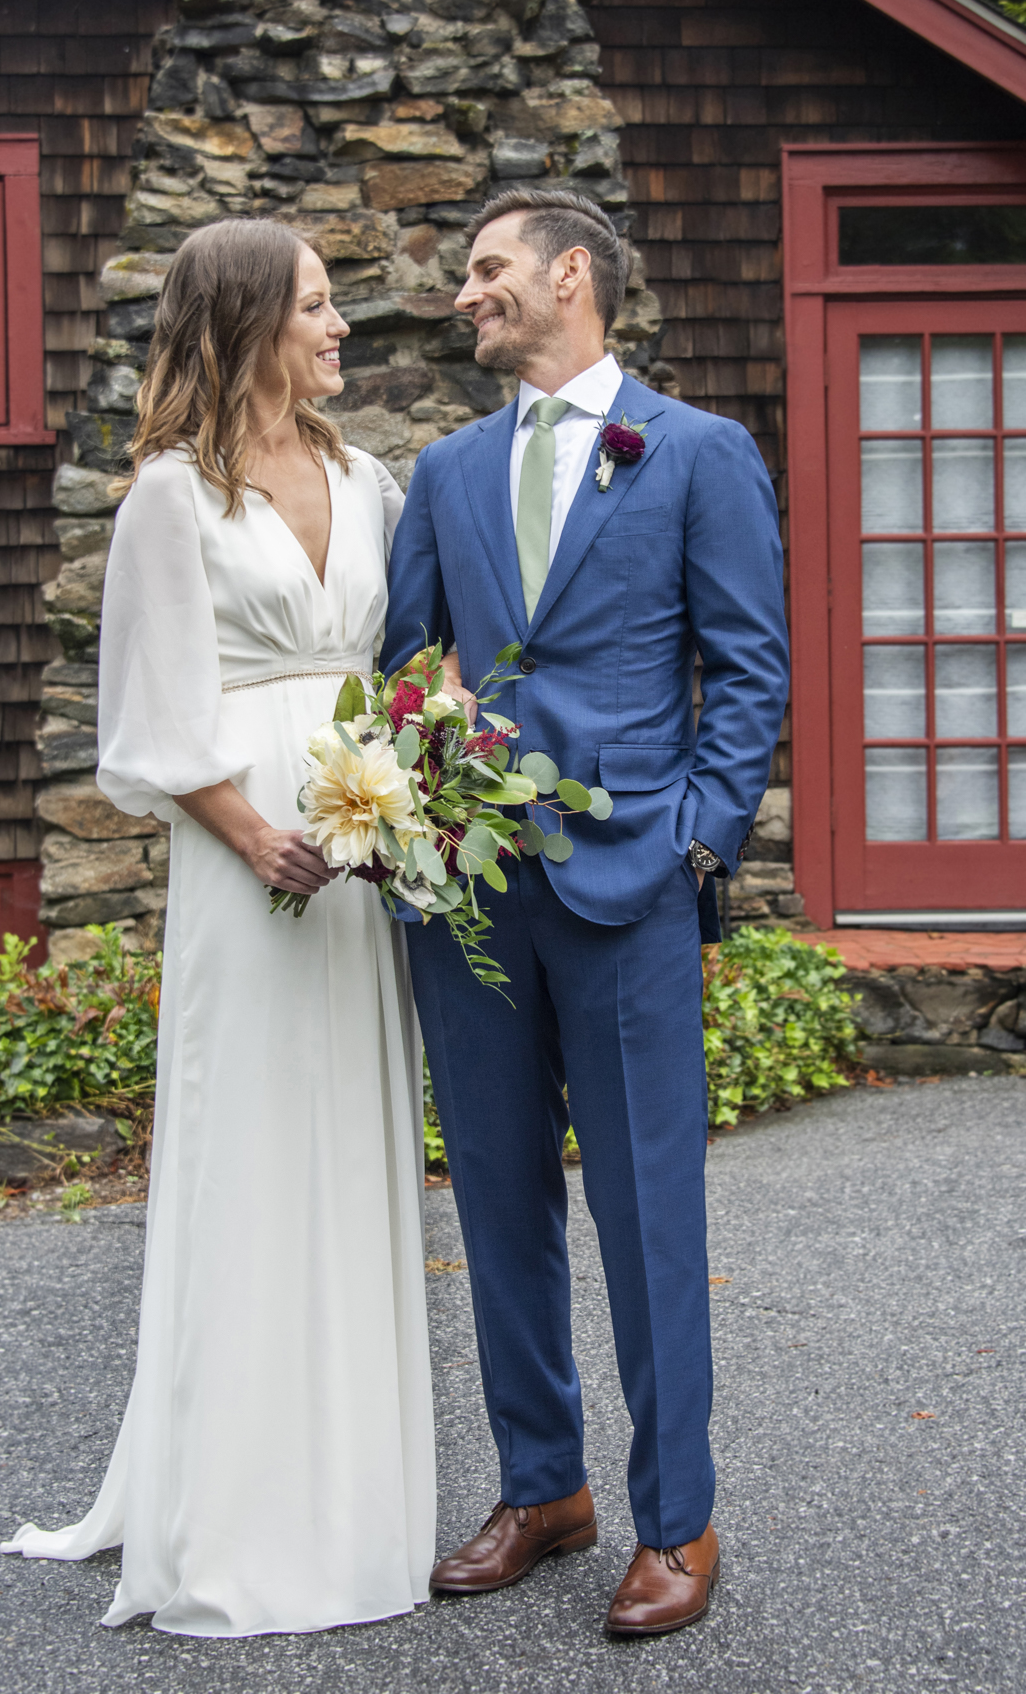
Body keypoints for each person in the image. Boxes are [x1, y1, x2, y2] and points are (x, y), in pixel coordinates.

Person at [3, 220, 435, 1637]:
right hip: (250, 866)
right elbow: (143, 726)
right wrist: (258, 837)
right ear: (249, 318)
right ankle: (238, 1522)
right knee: (251, 1147)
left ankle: (359, 1500)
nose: (340, 330)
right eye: (318, 306)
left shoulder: (371, 482)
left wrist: (399, 809)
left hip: (359, 864)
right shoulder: (168, 504)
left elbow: (397, 672)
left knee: (353, 1149)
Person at [382, 186, 788, 1637]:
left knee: (645, 1214)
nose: (466, 294)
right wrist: (419, 812)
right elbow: (406, 667)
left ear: (570, 275)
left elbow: (747, 668)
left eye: (487, 271)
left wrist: (699, 836)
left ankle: (677, 1519)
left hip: (631, 886)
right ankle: (542, 1487)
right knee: (495, 1201)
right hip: (476, 903)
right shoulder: (440, 472)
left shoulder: (699, 454)